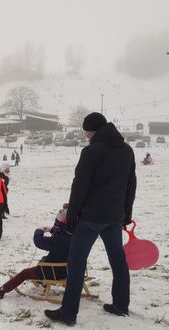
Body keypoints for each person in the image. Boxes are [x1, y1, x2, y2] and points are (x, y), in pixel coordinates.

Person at [44, 112, 137, 326]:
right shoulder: (126, 150)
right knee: (118, 261)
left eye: (84, 130)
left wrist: (72, 216)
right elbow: (131, 184)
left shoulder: (91, 151)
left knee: (76, 262)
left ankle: (68, 313)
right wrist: (126, 214)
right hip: (114, 217)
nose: (84, 133)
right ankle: (121, 305)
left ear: (91, 130)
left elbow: (80, 186)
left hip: (90, 218)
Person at [0, 204, 71, 298]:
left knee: (25, 273)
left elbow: (39, 241)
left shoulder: (60, 241)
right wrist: (51, 230)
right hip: (68, 269)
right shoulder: (73, 236)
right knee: (43, 260)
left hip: (54, 272)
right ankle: (43, 282)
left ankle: (2, 290)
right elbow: (61, 234)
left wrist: (39, 231)